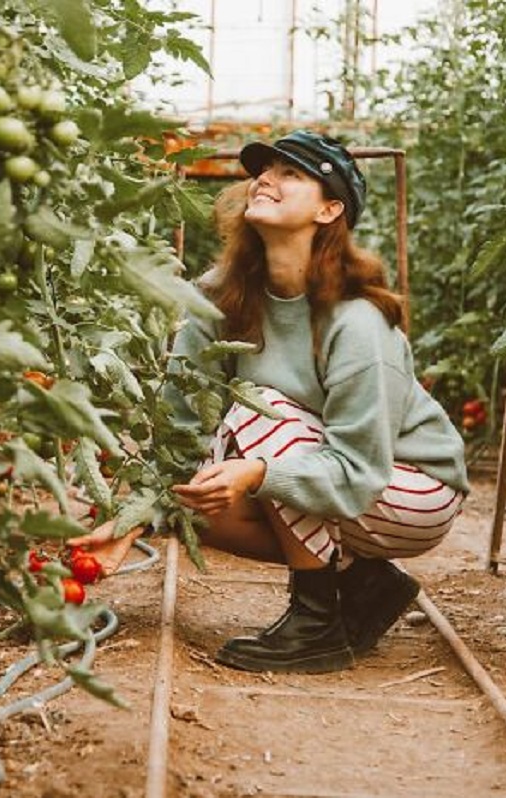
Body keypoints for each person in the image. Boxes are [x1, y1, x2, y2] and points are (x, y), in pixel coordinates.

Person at [69, 129, 470, 674]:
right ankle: (364, 585)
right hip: (327, 472)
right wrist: (131, 521)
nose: (266, 180)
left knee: (255, 407)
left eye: (291, 174)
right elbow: (180, 427)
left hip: (409, 491)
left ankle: (315, 622)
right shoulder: (221, 297)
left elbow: (357, 470)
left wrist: (258, 472)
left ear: (330, 210)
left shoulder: (356, 323)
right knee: (196, 497)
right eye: (265, 170)